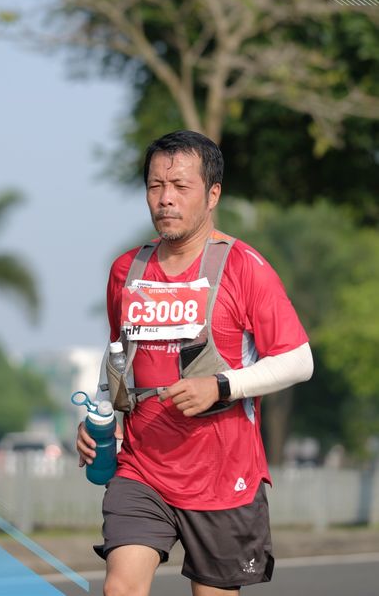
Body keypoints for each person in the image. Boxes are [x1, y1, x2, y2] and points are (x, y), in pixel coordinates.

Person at [76, 130, 313, 596]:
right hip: (141, 469)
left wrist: (221, 386)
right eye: (155, 186)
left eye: (181, 186)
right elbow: (118, 354)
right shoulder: (127, 270)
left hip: (224, 478)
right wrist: (101, 419)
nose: (165, 199)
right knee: (120, 588)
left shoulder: (245, 267)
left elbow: (298, 360)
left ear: (213, 194)